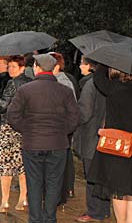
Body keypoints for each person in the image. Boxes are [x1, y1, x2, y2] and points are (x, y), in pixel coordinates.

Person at [8, 53, 80, 223]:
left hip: (32, 143)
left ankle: (35, 219)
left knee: (34, 184)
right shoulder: (65, 91)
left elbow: (12, 116)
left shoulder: (25, 90)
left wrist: (26, 130)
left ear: (37, 68)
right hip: (57, 144)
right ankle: (50, 218)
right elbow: (75, 117)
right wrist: (63, 132)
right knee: (54, 183)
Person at [87, 65, 132, 223]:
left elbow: (98, 79)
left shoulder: (113, 88)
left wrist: (103, 63)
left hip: (115, 148)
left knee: (118, 190)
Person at [0, 56, 32, 213]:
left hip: (9, 129)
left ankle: (5, 201)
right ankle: (23, 198)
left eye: (13, 67)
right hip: (26, 128)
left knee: (6, 166)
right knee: (23, 165)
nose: (10, 69)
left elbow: (1, 107)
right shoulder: (31, 82)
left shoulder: (12, 84)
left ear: (22, 68)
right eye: (8, 66)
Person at [73, 61, 110, 222]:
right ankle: (104, 209)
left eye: (82, 63)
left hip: (91, 136)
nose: (80, 66)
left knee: (92, 176)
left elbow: (84, 112)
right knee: (103, 176)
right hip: (106, 136)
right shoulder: (111, 84)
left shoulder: (90, 85)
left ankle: (94, 212)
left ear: (90, 66)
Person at [50, 52, 77, 202]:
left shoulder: (62, 82)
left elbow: (68, 108)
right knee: (65, 160)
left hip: (61, 128)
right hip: (62, 128)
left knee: (63, 162)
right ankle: (67, 189)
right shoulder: (62, 80)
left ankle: (64, 191)